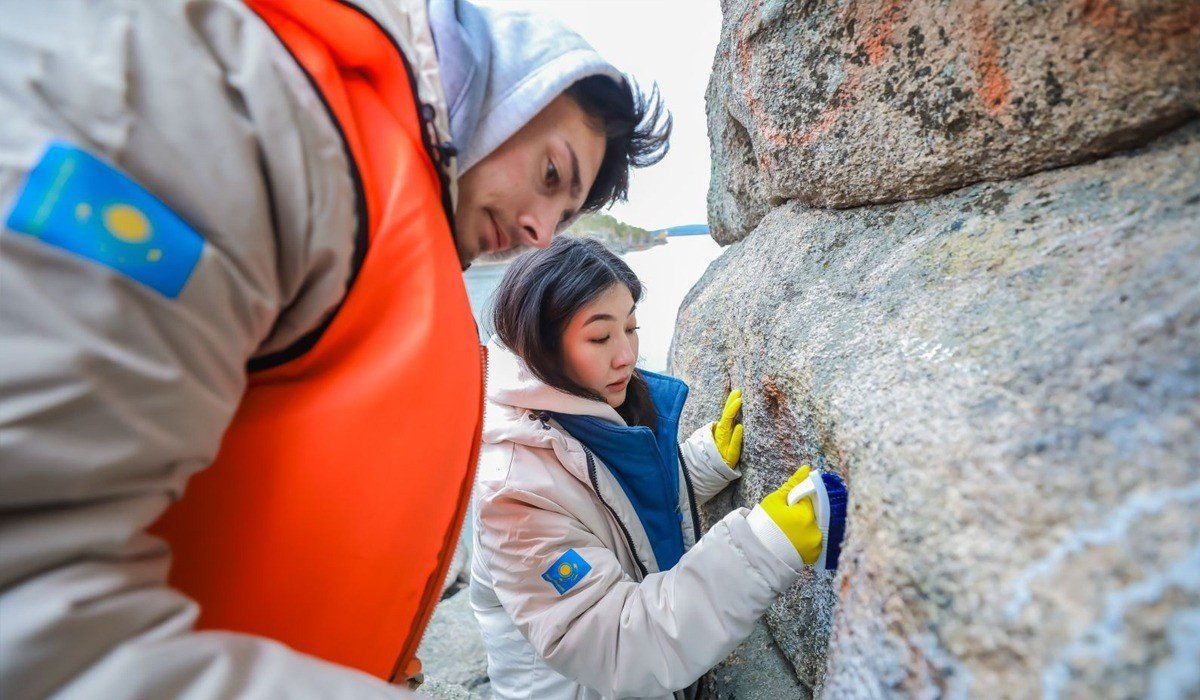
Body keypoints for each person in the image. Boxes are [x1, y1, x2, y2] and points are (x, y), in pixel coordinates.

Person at [0, 0, 669, 697]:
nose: (539, 232)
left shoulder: (362, 204)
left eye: (562, 218)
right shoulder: (244, 112)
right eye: (550, 175)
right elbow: (31, 609)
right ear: (493, 94)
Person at [471, 236, 848, 699]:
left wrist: (699, 464)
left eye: (631, 327)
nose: (626, 354)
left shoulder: (585, 411)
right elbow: (617, 644)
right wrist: (767, 545)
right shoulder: (511, 493)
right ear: (541, 344)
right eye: (599, 336)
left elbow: (609, 508)